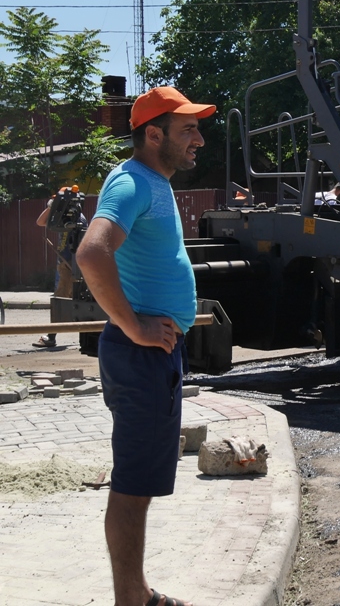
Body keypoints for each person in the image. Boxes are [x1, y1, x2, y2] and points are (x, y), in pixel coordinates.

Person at [76, 85, 213, 606]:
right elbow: (92, 253)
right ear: (153, 134)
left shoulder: (152, 180)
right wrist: (133, 326)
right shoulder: (132, 182)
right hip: (140, 355)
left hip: (153, 355)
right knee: (134, 484)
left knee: (141, 480)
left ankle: (136, 593)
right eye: (188, 129)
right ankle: (131, 600)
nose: (198, 138)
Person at [33, 188, 87, 348]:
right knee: (71, 300)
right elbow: (40, 222)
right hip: (66, 265)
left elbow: (41, 222)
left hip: (70, 266)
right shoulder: (64, 217)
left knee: (61, 300)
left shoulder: (76, 219)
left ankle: (51, 337)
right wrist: (53, 205)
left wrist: (53, 206)